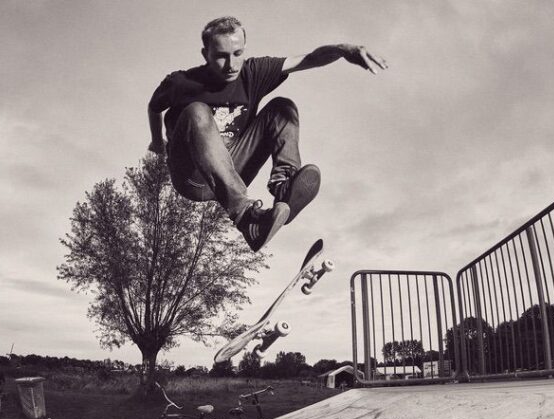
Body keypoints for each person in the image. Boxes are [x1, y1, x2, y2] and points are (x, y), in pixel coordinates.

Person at [148, 16, 388, 251]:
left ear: (244, 49)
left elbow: (309, 58)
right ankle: (246, 217)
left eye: (237, 54)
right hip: (193, 177)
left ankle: (285, 185)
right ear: (205, 54)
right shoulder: (181, 82)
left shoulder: (253, 72)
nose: (231, 65)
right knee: (197, 111)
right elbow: (154, 107)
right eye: (221, 56)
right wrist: (158, 142)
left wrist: (343, 50)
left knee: (282, 107)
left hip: (234, 167)